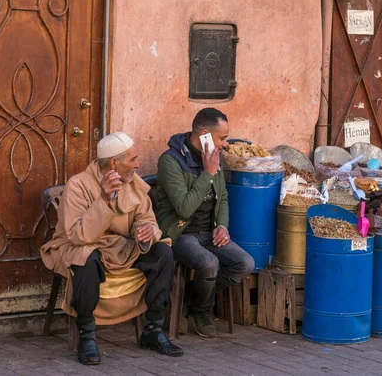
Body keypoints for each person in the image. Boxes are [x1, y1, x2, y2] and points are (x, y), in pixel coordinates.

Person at [40, 132, 183, 365]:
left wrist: (144, 230)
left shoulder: (133, 183)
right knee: (86, 258)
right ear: (115, 163)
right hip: (79, 245)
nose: (138, 164)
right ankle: (86, 336)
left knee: (163, 253)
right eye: (133, 159)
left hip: (120, 248)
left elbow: (146, 218)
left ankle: (153, 330)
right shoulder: (79, 185)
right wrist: (104, 200)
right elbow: (79, 236)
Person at [156, 108, 255, 338]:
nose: (225, 144)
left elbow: (223, 198)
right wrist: (208, 173)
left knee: (245, 263)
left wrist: (222, 225)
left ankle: (190, 301)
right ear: (204, 134)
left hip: (208, 233)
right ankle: (201, 309)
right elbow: (183, 207)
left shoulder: (213, 156)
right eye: (222, 138)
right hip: (180, 234)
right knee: (208, 263)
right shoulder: (171, 161)